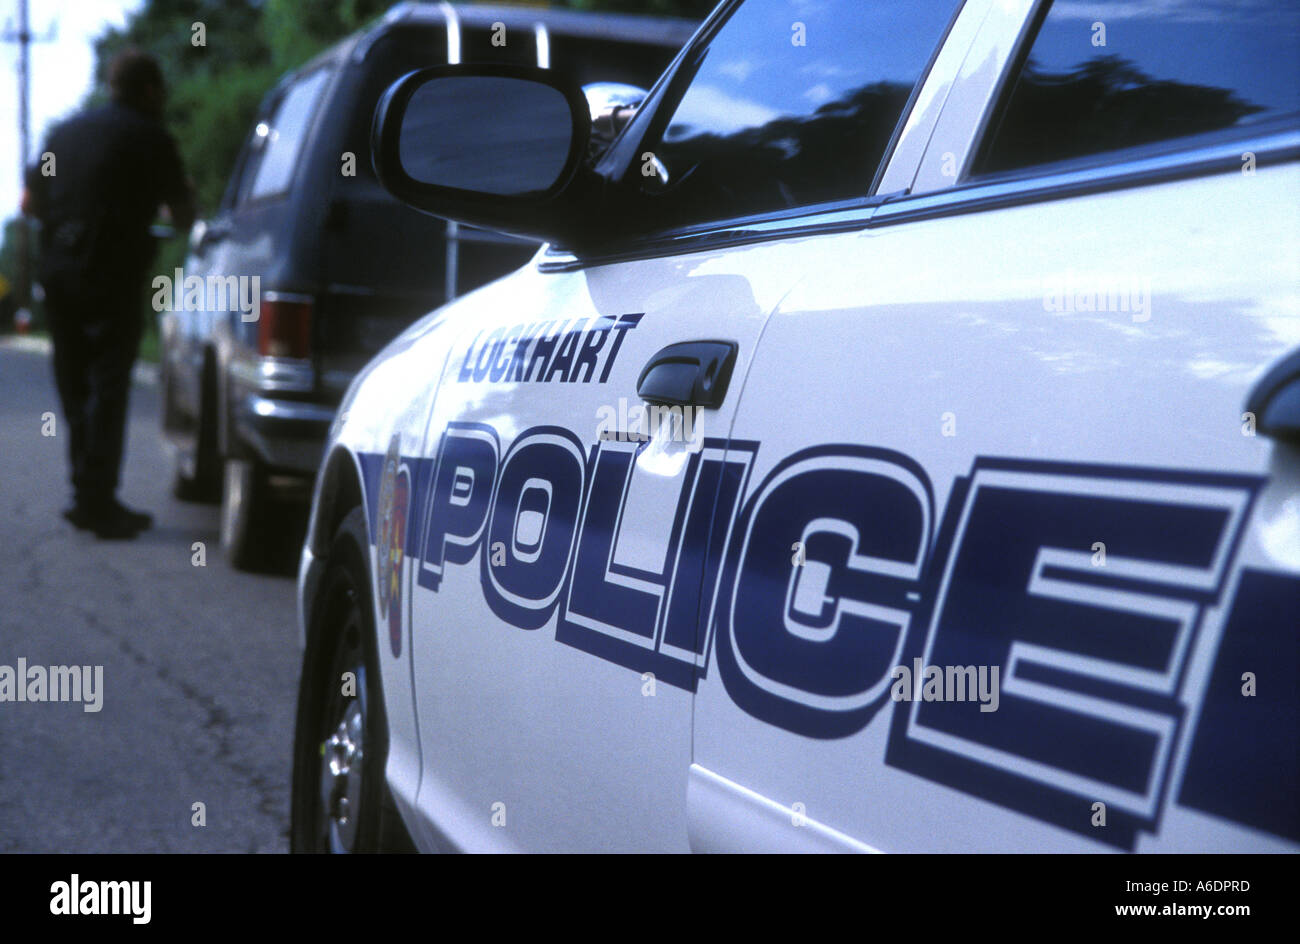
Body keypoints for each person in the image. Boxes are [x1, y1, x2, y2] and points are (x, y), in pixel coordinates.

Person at [22, 48, 194, 539]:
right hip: (112, 273)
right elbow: (182, 216)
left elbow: (31, 202)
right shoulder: (151, 137)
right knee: (107, 383)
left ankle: (87, 493)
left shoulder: (63, 133)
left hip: (59, 270)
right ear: (149, 90)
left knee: (74, 382)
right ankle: (96, 501)